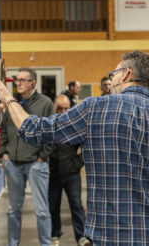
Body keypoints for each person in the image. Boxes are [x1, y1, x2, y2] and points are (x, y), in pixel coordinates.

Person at [0, 50, 149, 245]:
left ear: (126, 74)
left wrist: (7, 97)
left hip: (107, 235)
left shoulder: (95, 109)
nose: (112, 80)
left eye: (114, 74)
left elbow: (33, 130)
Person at [0, 67, 54, 246]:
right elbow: (4, 130)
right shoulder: (12, 104)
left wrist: (42, 156)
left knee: (42, 211)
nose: (18, 83)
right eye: (17, 80)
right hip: (13, 163)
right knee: (14, 210)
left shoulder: (45, 103)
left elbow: (52, 132)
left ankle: (45, 243)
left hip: (36, 164)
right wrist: (4, 153)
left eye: (23, 80)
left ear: (33, 83)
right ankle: (12, 244)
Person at [48, 94, 90, 246]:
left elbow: (86, 147)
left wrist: (76, 164)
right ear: (54, 108)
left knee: (77, 205)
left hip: (72, 174)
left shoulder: (75, 126)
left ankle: (81, 236)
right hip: (53, 174)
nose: (64, 112)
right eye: (60, 108)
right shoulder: (48, 124)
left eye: (66, 108)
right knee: (53, 206)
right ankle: (54, 235)